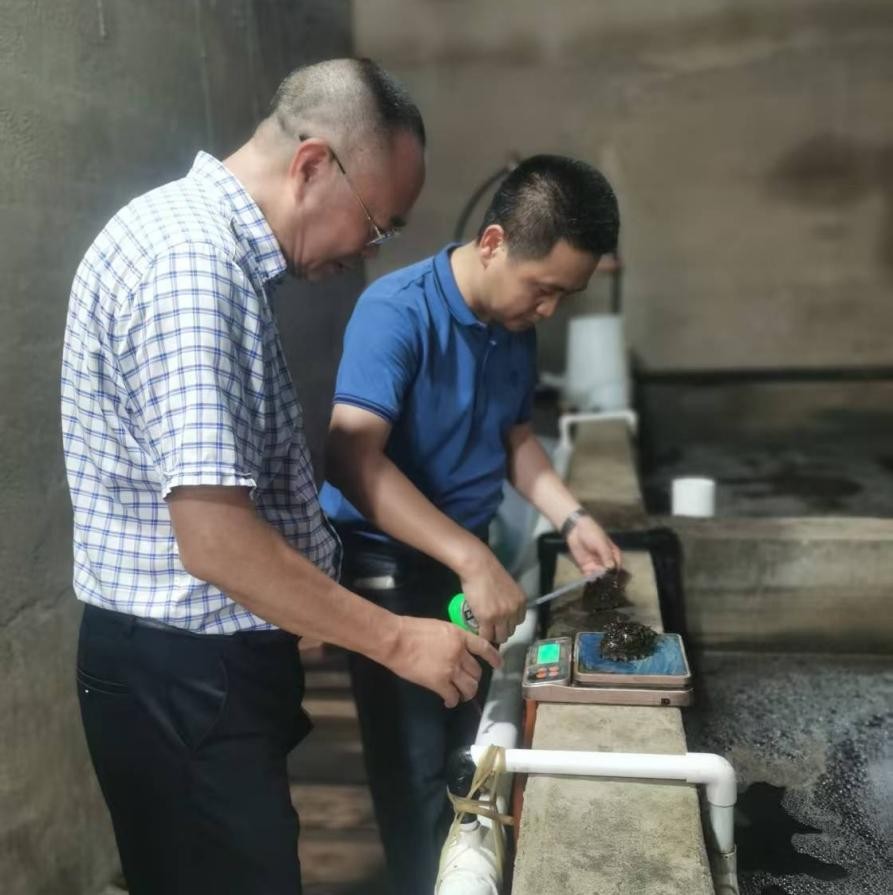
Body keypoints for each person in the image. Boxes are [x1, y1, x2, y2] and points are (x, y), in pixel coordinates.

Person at [61, 57, 500, 895]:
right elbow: (215, 542)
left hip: (194, 671)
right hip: (181, 680)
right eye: (375, 224)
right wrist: (396, 637)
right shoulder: (192, 266)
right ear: (311, 165)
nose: (367, 251)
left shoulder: (201, 246)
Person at [321, 154, 624, 894]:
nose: (548, 310)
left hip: (464, 558)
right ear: (493, 243)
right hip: (389, 569)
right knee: (417, 770)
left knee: (474, 743)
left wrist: (571, 516)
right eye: (543, 288)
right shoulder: (396, 312)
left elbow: (516, 438)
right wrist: (472, 558)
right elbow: (353, 461)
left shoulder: (510, 323)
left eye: (565, 295)